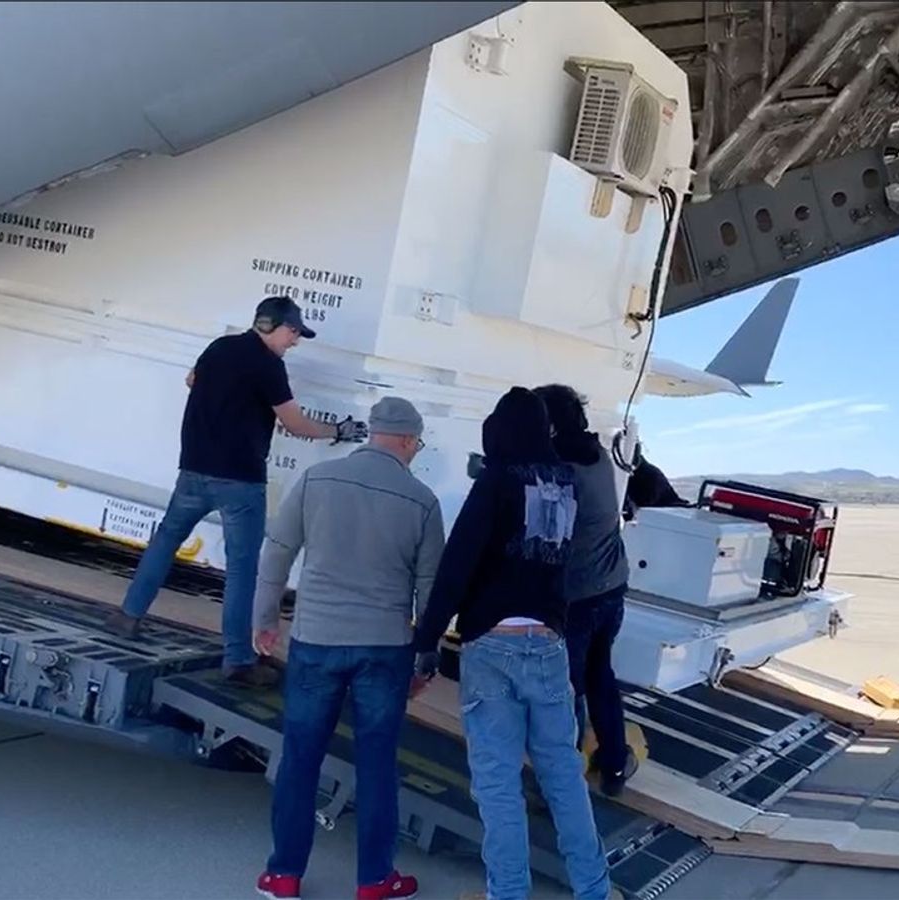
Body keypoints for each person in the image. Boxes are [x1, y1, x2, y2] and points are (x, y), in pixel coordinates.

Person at [412, 388, 615, 900]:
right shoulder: (563, 484)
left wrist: (426, 639)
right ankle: (593, 889)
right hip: (548, 643)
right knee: (563, 776)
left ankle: (508, 893)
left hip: (493, 644)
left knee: (498, 782)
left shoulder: (497, 482)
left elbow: (458, 564)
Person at [103, 296, 366, 686]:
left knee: (164, 542)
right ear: (273, 326)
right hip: (240, 482)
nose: (294, 341)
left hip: (193, 470)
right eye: (293, 333)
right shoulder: (268, 366)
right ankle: (238, 661)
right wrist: (338, 431)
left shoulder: (220, 347)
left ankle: (129, 616)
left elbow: (192, 379)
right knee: (242, 570)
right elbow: (294, 424)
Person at [250, 396, 444, 900]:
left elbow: (278, 549)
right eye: (417, 443)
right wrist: (426, 658)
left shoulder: (318, 480)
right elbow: (431, 588)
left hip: (317, 639)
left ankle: (284, 875)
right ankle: (375, 880)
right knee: (378, 765)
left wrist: (265, 619)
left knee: (300, 758)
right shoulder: (422, 500)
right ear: (404, 440)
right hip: (384, 647)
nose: (416, 452)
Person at [533, 384, 638, 797]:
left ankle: (561, 783)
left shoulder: (560, 471)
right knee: (600, 676)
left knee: (567, 690)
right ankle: (614, 766)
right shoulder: (597, 457)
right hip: (611, 589)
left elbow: (543, 536)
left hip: (576, 598)